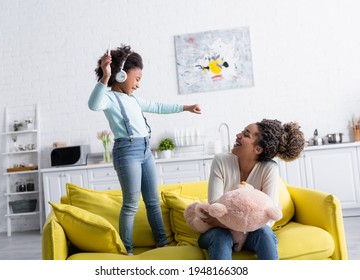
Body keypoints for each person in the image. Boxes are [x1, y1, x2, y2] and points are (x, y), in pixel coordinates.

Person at [88, 44, 201, 255]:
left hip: (145, 150)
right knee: (131, 203)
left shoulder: (134, 99)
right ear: (121, 75)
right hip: (127, 151)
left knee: (152, 202)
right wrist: (105, 76)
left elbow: (158, 107)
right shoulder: (109, 98)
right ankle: (126, 250)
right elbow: (93, 104)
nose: (139, 84)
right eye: (137, 78)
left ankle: (162, 244)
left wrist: (185, 107)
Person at [198, 119, 304, 260]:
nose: (238, 135)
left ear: (257, 149)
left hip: (249, 232)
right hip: (219, 231)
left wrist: (228, 221)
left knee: (265, 234)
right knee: (220, 236)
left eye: (246, 134)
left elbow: (269, 217)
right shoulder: (221, 161)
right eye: (242, 131)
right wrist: (247, 219)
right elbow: (214, 208)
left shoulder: (269, 168)